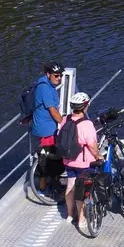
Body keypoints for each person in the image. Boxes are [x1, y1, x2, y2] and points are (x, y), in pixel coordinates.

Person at [58, 91, 98, 230]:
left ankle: (69, 215)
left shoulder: (65, 119)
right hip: (83, 162)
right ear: (85, 106)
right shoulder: (86, 124)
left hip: (68, 160)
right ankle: (81, 218)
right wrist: (98, 156)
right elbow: (92, 145)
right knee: (82, 191)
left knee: (70, 187)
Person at [29, 61, 65, 195]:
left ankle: (51, 182)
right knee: (46, 159)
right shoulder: (44, 88)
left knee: (52, 156)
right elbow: (53, 111)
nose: (59, 78)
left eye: (60, 75)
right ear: (48, 74)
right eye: (56, 75)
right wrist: (64, 124)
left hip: (49, 127)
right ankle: (43, 188)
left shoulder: (48, 84)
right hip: (45, 130)